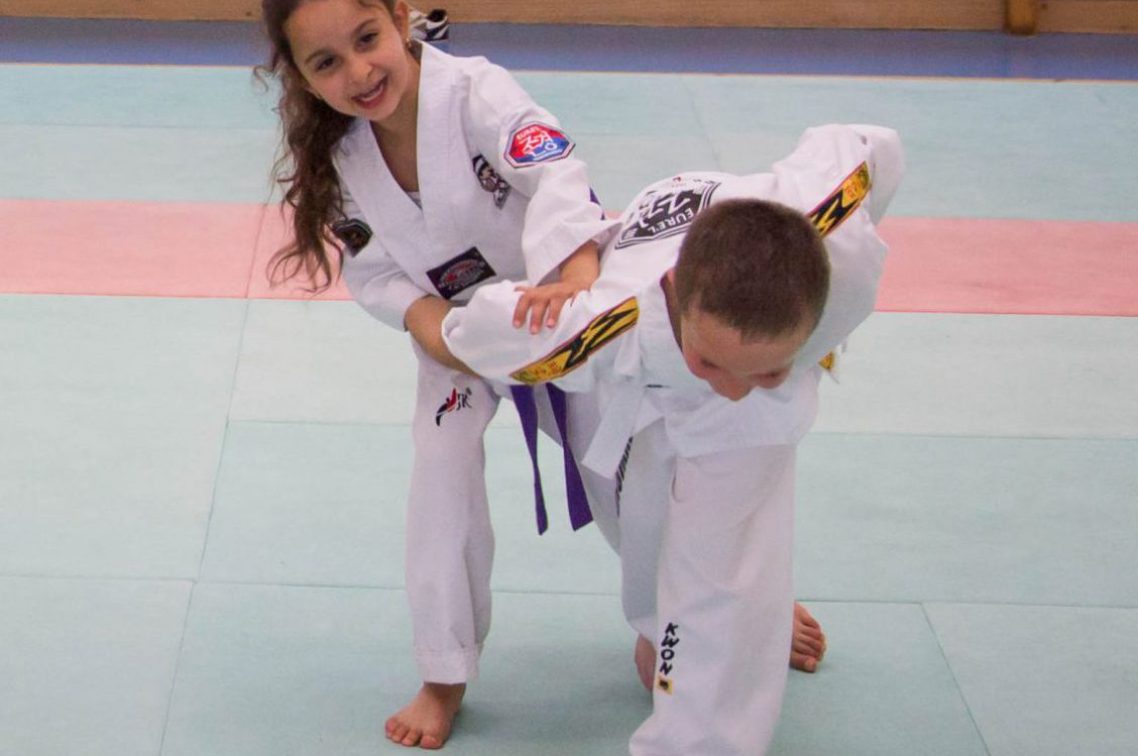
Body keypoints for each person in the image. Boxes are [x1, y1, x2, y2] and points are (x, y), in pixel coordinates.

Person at [440, 123, 904, 754]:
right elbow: (474, 335)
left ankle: (735, 633)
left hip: (744, 432)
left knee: (719, 583)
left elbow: (870, 143)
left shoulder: (836, 229)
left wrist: (756, 374)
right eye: (713, 362)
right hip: (643, 398)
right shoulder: (609, 320)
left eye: (766, 367)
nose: (735, 386)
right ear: (678, 301)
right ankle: (702, 621)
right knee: (656, 565)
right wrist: (430, 318)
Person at [258, 0, 617, 748]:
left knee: (626, 463)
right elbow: (377, 269)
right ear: (301, 76)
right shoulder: (341, 154)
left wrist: (577, 281)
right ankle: (443, 671)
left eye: (367, 40)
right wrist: (432, 328)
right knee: (440, 467)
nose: (359, 73)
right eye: (327, 63)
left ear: (401, 19)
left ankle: (689, 617)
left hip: (557, 302)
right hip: (457, 331)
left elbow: (557, 174)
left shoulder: (475, 94)